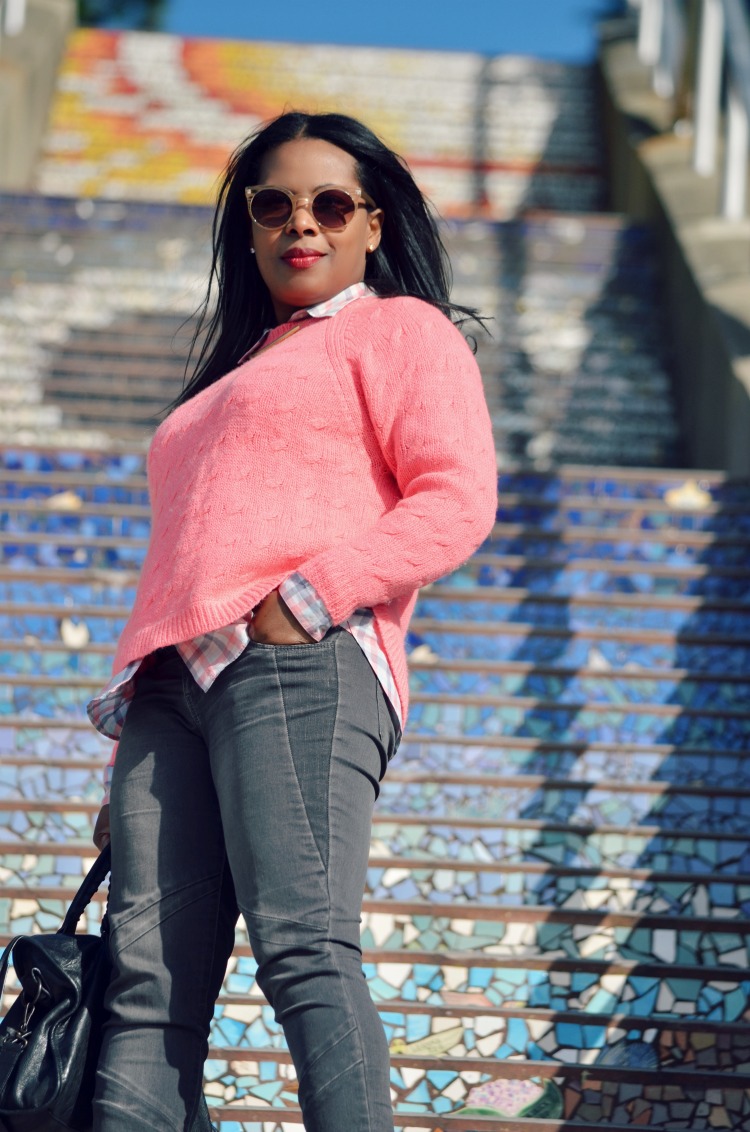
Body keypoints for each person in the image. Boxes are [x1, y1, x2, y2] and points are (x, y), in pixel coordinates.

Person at [87, 110, 498, 1132]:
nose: (299, 224)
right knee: (146, 991)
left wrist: (313, 594)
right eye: (273, 204)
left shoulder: (401, 330)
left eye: (329, 204)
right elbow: (182, 560)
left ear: (371, 223)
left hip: (298, 662)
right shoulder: (227, 375)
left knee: (303, 947)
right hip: (170, 691)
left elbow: (455, 497)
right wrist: (126, 756)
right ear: (248, 224)